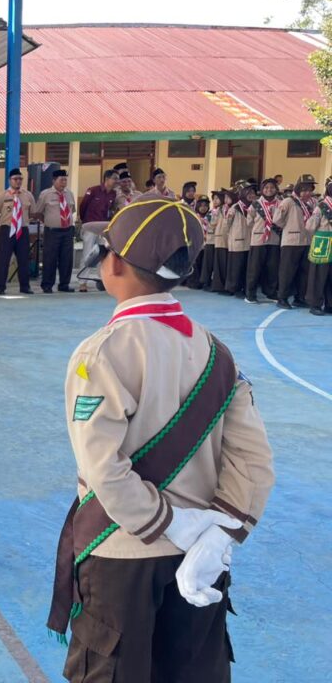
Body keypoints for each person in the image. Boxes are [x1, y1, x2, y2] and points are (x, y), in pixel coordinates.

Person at [47, 195, 274, 683]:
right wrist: (217, 534)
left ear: (114, 264)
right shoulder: (218, 355)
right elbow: (254, 463)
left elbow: (104, 468)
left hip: (122, 554)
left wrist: (170, 523)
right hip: (200, 559)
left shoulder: (101, 354)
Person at [273, 174, 317, 309]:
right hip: (291, 242)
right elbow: (277, 220)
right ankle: (282, 298)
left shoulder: (312, 203)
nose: (307, 193)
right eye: (304, 190)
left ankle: (300, 297)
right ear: (298, 189)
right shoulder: (288, 201)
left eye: (310, 190)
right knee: (287, 271)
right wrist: (290, 228)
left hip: (307, 241)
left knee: (304, 272)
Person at [0, 168, 36, 295]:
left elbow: (33, 212)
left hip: (22, 230)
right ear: (9, 180)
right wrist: (3, 220)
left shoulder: (28, 195)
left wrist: (23, 220)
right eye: (15, 179)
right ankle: (0, 287)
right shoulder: (2, 195)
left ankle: (25, 286)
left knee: (23, 259)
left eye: (20, 179)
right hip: (7, 229)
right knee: (3, 259)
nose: (18, 181)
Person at [34, 167, 76, 294]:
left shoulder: (69, 194)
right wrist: (49, 221)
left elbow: (72, 210)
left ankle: (64, 284)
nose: (64, 182)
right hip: (52, 231)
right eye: (61, 180)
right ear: (54, 181)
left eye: (65, 180)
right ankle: (47, 285)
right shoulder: (45, 194)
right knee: (50, 258)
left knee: (66, 259)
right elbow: (38, 212)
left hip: (67, 230)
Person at [77, 168, 119, 291]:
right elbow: (83, 206)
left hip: (104, 228)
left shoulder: (113, 194)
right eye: (115, 179)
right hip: (91, 226)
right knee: (88, 254)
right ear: (107, 179)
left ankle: (103, 280)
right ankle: (83, 282)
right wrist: (85, 222)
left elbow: (111, 210)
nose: (117, 181)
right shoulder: (93, 190)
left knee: (104, 254)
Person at [244, 178, 282, 304]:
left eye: (272, 187)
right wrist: (260, 229)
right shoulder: (255, 204)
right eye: (266, 187)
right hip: (258, 240)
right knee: (254, 268)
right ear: (262, 190)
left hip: (274, 240)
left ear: (276, 189)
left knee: (272, 268)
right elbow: (249, 222)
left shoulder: (280, 204)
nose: (269, 190)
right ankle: (250, 294)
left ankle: (270, 293)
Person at [305, 177, 332, 315]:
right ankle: (315, 304)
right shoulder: (321, 206)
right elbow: (310, 226)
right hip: (322, 243)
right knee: (318, 276)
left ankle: (329, 304)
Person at [223, 183, 253, 298]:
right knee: (235, 266)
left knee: (245, 267)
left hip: (249, 241)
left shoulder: (253, 207)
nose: (251, 195)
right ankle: (233, 288)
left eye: (252, 193)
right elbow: (226, 225)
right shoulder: (235, 208)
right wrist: (231, 237)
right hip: (236, 241)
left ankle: (244, 287)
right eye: (248, 193)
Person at [210, 190, 233, 294]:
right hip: (220, 238)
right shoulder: (218, 210)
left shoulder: (230, 208)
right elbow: (213, 223)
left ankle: (226, 286)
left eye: (218, 198)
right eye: (214, 199)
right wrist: (214, 215)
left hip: (229, 239)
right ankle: (218, 286)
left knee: (226, 263)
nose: (215, 201)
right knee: (219, 263)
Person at [187, 197, 211, 289]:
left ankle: (204, 282)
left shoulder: (211, 216)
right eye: (201, 206)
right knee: (195, 263)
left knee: (204, 264)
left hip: (208, 243)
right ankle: (194, 282)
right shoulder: (194, 216)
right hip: (197, 243)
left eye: (205, 206)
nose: (203, 208)